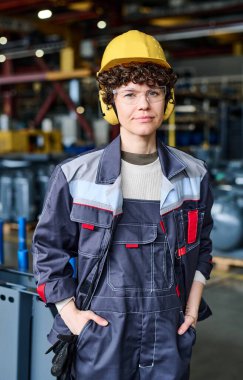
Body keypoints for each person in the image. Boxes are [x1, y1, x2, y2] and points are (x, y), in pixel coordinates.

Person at [32, 30, 213, 380]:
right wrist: (69, 312)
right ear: (110, 102)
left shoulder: (194, 175)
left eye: (153, 93)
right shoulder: (75, 176)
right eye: (129, 94)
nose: (143, 105)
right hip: (101, 338)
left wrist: (193, 303)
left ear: (167, 100)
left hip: (169, 335)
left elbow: (202, 244)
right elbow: (47, 251)